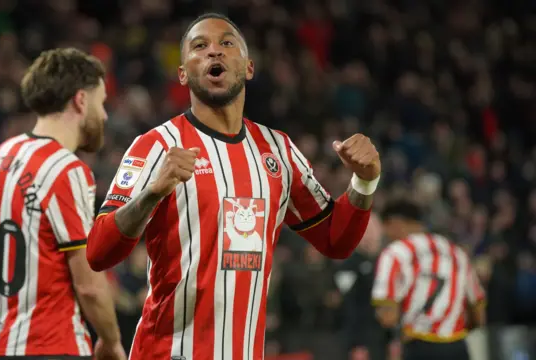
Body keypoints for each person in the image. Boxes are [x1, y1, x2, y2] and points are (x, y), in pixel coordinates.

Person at [87, 13, 381, 360]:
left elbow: (335, 239)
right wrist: (151, 193)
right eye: (200, 46)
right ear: (183, 73)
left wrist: (365, 180)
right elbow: (98, 252)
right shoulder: (155, 146)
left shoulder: (279, 151)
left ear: (249, 67)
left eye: (227, 43)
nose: (215, 52)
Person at [0, 48, 126, 360]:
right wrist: (111, 341)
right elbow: (89, 285)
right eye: (102, 102)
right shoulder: (67, 171)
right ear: (81, 100)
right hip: (54, 346)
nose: (105, 115)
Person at [371, 199, 486, 360]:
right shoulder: (457, 254)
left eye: (386, 229)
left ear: (396, 223)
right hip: (457, 346)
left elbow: (388, 317)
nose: (386, 235)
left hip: (418, 345)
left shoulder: (395, 253)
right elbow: (479, 314)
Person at [335, 213, 394, 360]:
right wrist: (356, 344)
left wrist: (395, 339)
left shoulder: (390, 260)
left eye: (373, 229)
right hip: (363, 340)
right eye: (365, 230)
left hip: (386, 338)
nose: (370, 235)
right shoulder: (348, 265)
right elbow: (349, 307)